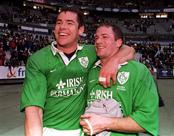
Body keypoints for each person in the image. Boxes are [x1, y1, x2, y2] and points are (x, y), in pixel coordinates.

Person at [20, 7, 134, 136]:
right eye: (59, 22)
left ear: (81, 30)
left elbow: (128, 49)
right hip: (49, 130)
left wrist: (114, 62)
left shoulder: (91, 52)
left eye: (69, 23)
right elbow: (34, 110)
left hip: (83, 131)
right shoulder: (38, 60)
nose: (62, 27)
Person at [80, 23, 159, 136]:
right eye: (96, 38)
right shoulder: (90, 69)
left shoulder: (138, 71)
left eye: (105, 37)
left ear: (118, 42)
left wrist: (105, 123)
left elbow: (146, 119)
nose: (98, 41)